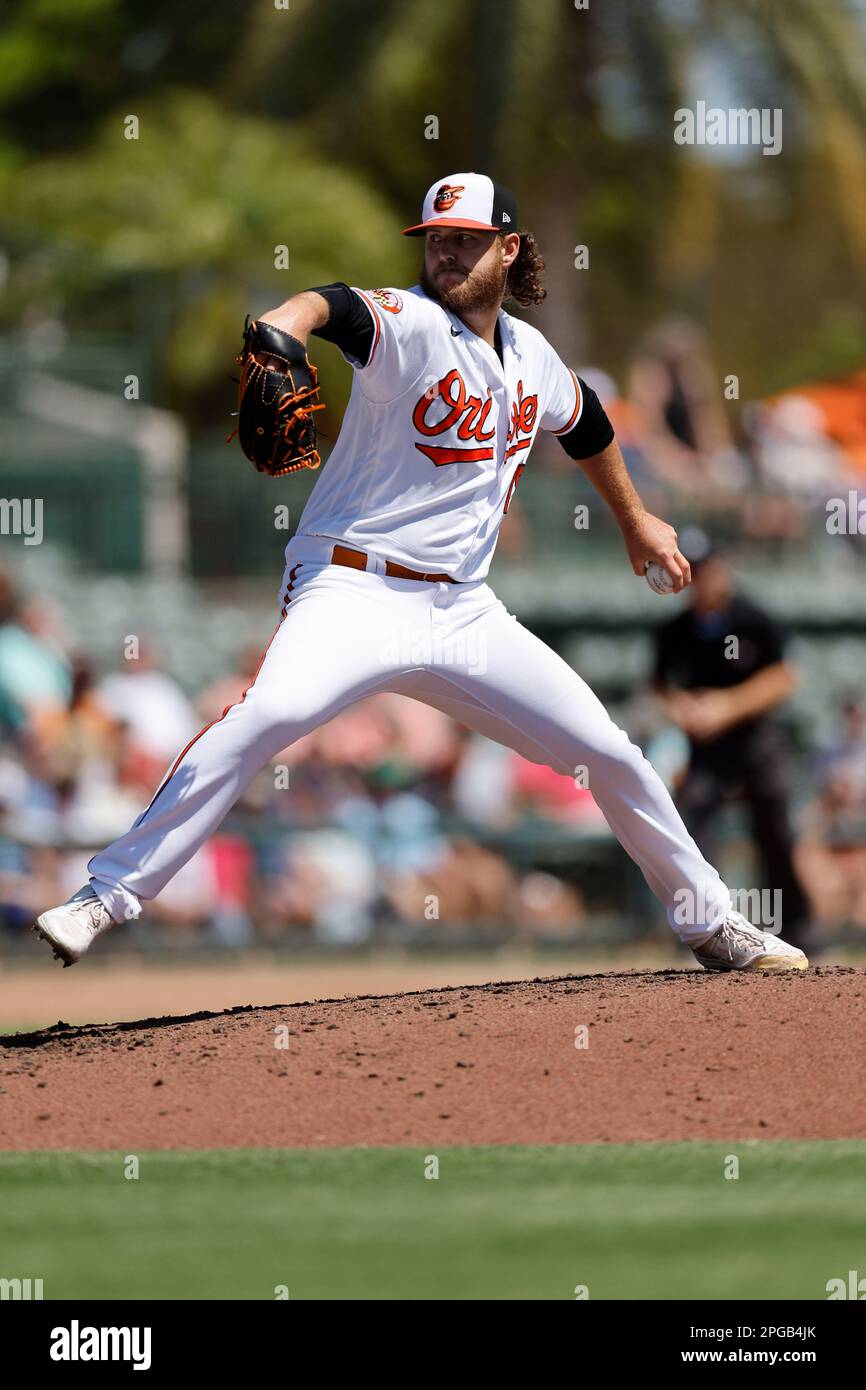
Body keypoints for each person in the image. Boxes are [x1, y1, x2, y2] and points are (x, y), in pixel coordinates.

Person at [33, 172, 806, 973]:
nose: (446, 251)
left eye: (466, 239)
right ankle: (104, 896)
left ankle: (712, 923)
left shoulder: (532, 356)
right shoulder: (410, 324)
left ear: (508, 249)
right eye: (437, 238)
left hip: (464, 610)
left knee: (608, 753)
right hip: (353, 587)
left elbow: (588, 423)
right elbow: (337, 305)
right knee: (267, 717)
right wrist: (282, 325)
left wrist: (635, 519)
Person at [653, 527, 813, 950]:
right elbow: (658, 687)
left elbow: (784, 677)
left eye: (707, 568)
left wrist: (727, 706)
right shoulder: (676, 629)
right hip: (706, 747)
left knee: (775, 823)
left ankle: (796, 926)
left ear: (721, 568)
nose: (701, 577)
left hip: (756, 738)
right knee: (693, 825)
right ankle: (702, 931)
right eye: (693, 569)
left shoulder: (753, 618)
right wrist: (681, 708)